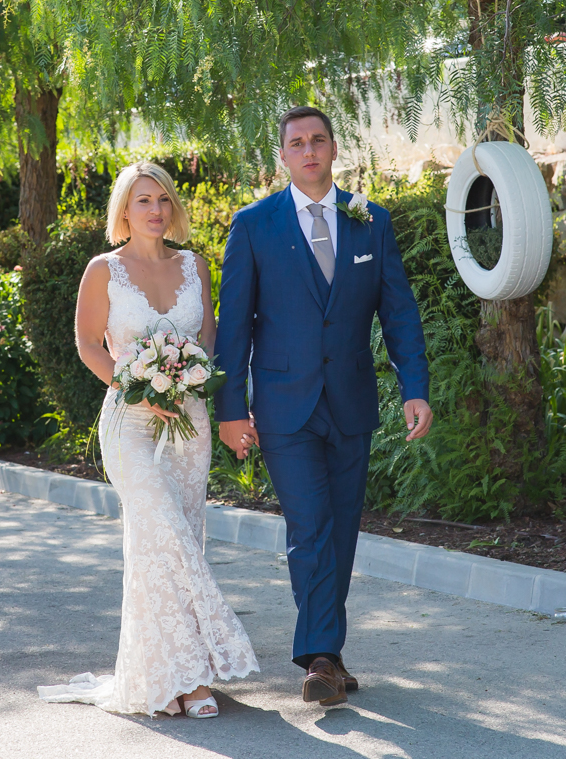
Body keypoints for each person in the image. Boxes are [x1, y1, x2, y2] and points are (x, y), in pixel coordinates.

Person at [215, 106, 432, 707]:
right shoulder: (253, 226)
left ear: (334, 148)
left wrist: (415, 386)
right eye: (295, 143)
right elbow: (233, 326)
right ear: (282, 156)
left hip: (351, 403)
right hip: (284, 409)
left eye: (317, 140)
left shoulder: (371, 222)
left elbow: (399, 312)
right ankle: (319, 658)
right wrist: (231, 409)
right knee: (309, 528)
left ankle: (327, 654)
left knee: (339, 535)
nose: (308, 150)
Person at [39, 163, 259, 718]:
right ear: (124, 211)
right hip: (131, 424)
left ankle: (167, 674)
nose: (155, 210)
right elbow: (89, 345)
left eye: (163, 199)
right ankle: (195, 672)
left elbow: (208, 342)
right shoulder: (103, 270)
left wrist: (192, 378)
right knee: (163, 528)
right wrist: (136, 385)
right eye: (143, 201)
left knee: (172, 537)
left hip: (189, 422)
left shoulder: (195, 266)